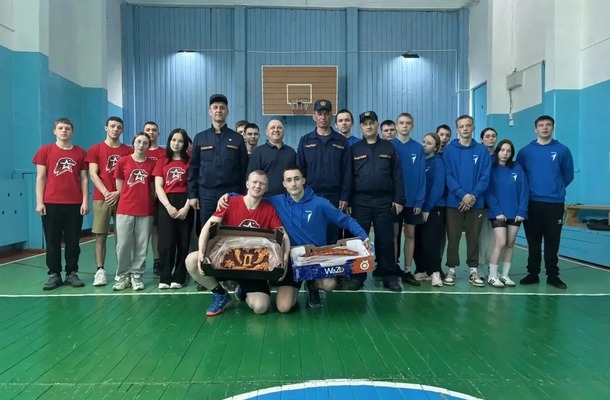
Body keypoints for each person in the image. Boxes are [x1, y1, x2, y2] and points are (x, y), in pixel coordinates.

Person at [218, 165, 370, 308]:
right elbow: (252, 196)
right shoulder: (276, 201)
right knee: (283, 307)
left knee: (329, 285)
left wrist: (363, 236)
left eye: (297, 179)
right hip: (291, 261)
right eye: (289, 180)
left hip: (315, 259)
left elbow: (346, 220)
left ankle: (312, 285)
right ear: (284, 184)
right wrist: (229, 196)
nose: (293, 184)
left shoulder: (320, 203)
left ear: (303, 180)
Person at [185, 170, 291, 316]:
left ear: (266, 188)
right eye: (254, 182)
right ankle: (220, 294)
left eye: (262, 184)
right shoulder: (229, 202)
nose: (257, 186)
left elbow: (284, 236)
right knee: (191, 260)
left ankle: (242, 289)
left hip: (253, 268)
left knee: (261, 307)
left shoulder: (269, 209)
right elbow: (207, 228)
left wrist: (284, 260)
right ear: (247, 184)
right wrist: (202, 252)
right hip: (226, 260)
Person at [348, 111, 404, 292]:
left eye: (371, 123)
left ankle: (390, 277)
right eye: (365, 124)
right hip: (360, 201)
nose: (368, 126)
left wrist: (398, 198)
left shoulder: (389, 147)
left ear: (377, 125)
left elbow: (397, 175)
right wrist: (348, 200)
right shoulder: (355, 149)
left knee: (386, 240)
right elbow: (349, 177)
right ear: (361, 127)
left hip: (384, 201)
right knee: (359, 241)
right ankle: (357, 278)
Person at [516, 115, 573, 289]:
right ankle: (532, 273)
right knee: (533, 240)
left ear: (553, 128)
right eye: (541, 125)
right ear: (536, 129)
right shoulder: (525, 152)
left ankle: (553, 275)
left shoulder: (562, 150)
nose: (545, 128)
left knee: (552, 240)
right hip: (531, 203)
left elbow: (568, 175)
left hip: (554, 204)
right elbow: (521, 177)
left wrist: (555, 189)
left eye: (548, 125)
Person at [33, 118, 89, 290]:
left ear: (72, 132)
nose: (64, 131)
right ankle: (54, 274)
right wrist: (39, 202)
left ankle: (72, 273)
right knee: (52, 240)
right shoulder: (45, 151)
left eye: (67, 128)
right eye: (60, 128)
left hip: (74, 204)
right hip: (51, 203)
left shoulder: (81, 153)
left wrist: (85, 200)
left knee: (73, 241)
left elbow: (84, 178)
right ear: (54, 131)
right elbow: (41, 178)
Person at [443, 115, 492, 287]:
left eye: (468, 125)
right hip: (454, 202)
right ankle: (451, 269)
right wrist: (462, 195)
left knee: (473, 238)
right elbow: (448, 175)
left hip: (476, 203)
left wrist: (472, 196)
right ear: (457, 129)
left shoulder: (482, 150)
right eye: (462, 126)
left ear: (473, 128)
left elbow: (485, 176)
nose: (465, 128)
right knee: (453, 238)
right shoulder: (449, 150)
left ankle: (473, 270)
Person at [188, 94, 248, 227]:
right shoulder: (200, 138)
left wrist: (244, 194)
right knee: (208, 230)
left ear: (227, 111)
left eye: (222, 107)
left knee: (231, 230)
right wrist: (193, 194)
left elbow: (244, 169)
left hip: (231, 194)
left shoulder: (237, 138)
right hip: (206, 194)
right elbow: (193, 169)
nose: (219, 110)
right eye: (215, 107)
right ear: (210, 111)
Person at [297, 99, 351, 244]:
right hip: (311, 196)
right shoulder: (305, 141)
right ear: (314, 116)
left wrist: (345, 196)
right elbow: (300, 170)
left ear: (331, 115)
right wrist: (301, 195)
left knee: (333, 237)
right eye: (320, 114)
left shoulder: (341, 141)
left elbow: (347, 171)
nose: (323, 117)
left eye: (326, 113)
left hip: (335, 198)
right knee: (311, 234)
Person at [86, 116, 132, 286]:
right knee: (100, 236)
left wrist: (118, 193)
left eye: (119, 127)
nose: (115, 129)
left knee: (122, 237)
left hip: (123, 198)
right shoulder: (95, 149)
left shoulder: (128, 151)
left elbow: (130, 175)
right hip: (102, 198)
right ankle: (100, 271)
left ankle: (123, 272)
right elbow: (93, 174)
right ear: (106, 128)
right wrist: (106, 193)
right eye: (112, 126)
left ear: (122, 130)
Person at [112, 132, 157, 291]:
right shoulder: (123, 161)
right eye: (138, 142)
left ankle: (136, 275)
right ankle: (122, 276)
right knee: (123, 244)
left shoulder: (152, 164)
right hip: (125, 209)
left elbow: (153, 188)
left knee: (141, 245)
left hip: (146, 210)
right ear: (133, 143)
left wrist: (148, 201)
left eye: (145, 143)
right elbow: (120, 187)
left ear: (148, 146)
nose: (141, 145)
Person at [153, 128, 194, 289]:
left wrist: (186, 207)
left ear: (185, 144)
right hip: (166, 202)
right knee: (166, 242)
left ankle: (179, 276)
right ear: (169, 141)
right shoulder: (162, 161)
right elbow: (158, 186)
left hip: (185, 201)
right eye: (174, 140)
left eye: (180, 141)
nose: (176, 143)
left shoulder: (190, 161)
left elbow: (193, 186)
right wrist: (168, 206)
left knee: (183, 242)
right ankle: (165, 277)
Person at [485, 139, 528, 288]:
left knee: (510, 244)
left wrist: (522, 211)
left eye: (508, 151)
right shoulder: (491, 168)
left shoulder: (517, 168)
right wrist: (497, 211)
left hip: (515, 213)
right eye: (502, 150)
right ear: (498, 151)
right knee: (501, 243)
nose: (505, 153)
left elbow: (524, 190)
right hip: (497, 213)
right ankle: (492, 276)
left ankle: (504, 275)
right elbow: (488, 192)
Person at [392, 113, 425, 285]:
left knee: (410, 234)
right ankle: (393, 268)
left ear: (412, 126)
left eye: (408, 123)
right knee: (393, 234)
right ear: (396, 126)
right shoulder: (390, 146)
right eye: (401, 123)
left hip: (412, 201)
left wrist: (419, 200)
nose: (405, 126)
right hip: (395, 201)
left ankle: (407, 270)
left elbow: (422, 177)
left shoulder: (418, 148)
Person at [413, 133, 446, 287]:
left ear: (436, 147)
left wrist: (427, 208)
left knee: (430, 241)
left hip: (434, 208)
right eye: (424, 142)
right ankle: (422, 270)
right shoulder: (420, 161)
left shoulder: (438, 162)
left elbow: (438, 187)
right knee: (418, 240)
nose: (425, 145)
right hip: (419, 207)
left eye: (429, 143)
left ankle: (435, 273)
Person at [247, 119, 297, 196]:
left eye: (279, 127)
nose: (276, 130)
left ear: (283, 132)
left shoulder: (291, 152)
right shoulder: (258, 152)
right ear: (267, 132)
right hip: (264, 198)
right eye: (272, 127)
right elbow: (251, 178)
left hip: (288, 198)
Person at [143, 121, 165, 274]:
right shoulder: (138, 151)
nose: (151, 132)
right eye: (148, 130)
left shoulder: (164, 153)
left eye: (154, 130)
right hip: (142, 198)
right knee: (144, 233)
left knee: (158, 230)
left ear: (158, 133)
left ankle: (158, 261)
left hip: (160, 198)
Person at [478, 127, 499, 277]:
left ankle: (493, 267)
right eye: (487, 136)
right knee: (478, 236)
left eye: (493, 136)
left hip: (496, 204)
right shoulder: (478, 155)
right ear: (482, 139)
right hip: (479, 202)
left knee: (494, 238)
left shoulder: (500, 157)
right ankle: (478, 265)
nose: (491, 138)